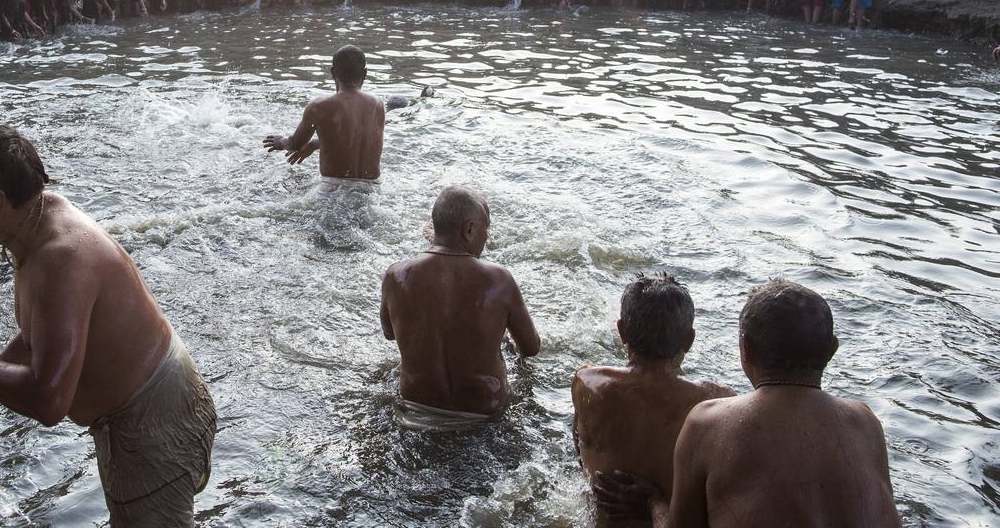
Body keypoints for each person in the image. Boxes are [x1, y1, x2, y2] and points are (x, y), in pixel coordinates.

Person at [0, 126, 217, 527]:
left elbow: (49, 402)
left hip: (155, 419)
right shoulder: (34, 222)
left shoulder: (60, 258)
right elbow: (36, 335)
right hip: (144, 408)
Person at [594, 280, 899, 528]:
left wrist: (653, 504)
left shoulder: (710, 420)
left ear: (745, 349)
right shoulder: (866, 422)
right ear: (831, 351)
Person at [573, 275, 733, 521]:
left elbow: (579, 453)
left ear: (622, 331)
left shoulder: (587, 383)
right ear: (689, 340)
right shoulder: (718, 402)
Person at [380, 186, 539, 429]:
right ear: (469, 229)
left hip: (416, 406)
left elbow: (390, 334)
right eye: (486, 230)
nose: (486, 239)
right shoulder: (499, 280)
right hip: (484, 413)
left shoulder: (396, 275)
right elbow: (530, 348)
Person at [263, 44, 385, 183]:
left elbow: (295, 144)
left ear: (333, 73)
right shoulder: (377, 105)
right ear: (364, 74)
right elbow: (352, 138)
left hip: (333, 189)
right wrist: (314, 144)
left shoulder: (318, 106)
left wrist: (281, 141)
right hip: (373, 189)